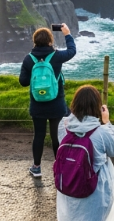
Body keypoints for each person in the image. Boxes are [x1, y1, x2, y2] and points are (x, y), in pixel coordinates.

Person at [56, 85, 114, 221]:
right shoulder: (101, 132)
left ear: (74, 104)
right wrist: (107, 122)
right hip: (94, 190)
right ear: (97, 107)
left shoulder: (63, 125)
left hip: (68, 184)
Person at [19, 24, 76, 178]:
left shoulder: (28, 59)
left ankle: (36, 168)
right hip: (57, 104)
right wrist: (67, 34)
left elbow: (23, 81)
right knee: (56, 135)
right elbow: (72, 51)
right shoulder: (57, 56)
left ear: (35, 42)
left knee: (39, 135)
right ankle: (60, 168)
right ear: (50, 41)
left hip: (37, 105)